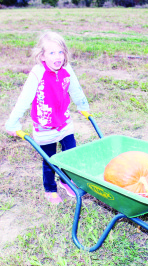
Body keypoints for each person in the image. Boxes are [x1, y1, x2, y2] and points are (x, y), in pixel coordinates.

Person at [5, 31, 90, 204]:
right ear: (42, 56)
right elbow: (24, 99)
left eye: (61, 52)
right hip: (45, 127)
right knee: (49, 160)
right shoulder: (38, 73)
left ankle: (66, 181)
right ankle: (50, 188)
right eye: (52, 53)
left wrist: (83, 106)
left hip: (65, 123)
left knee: (70, 155)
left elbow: (76, 89)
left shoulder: (67, 69)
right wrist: (12, 122)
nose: (58, 57)